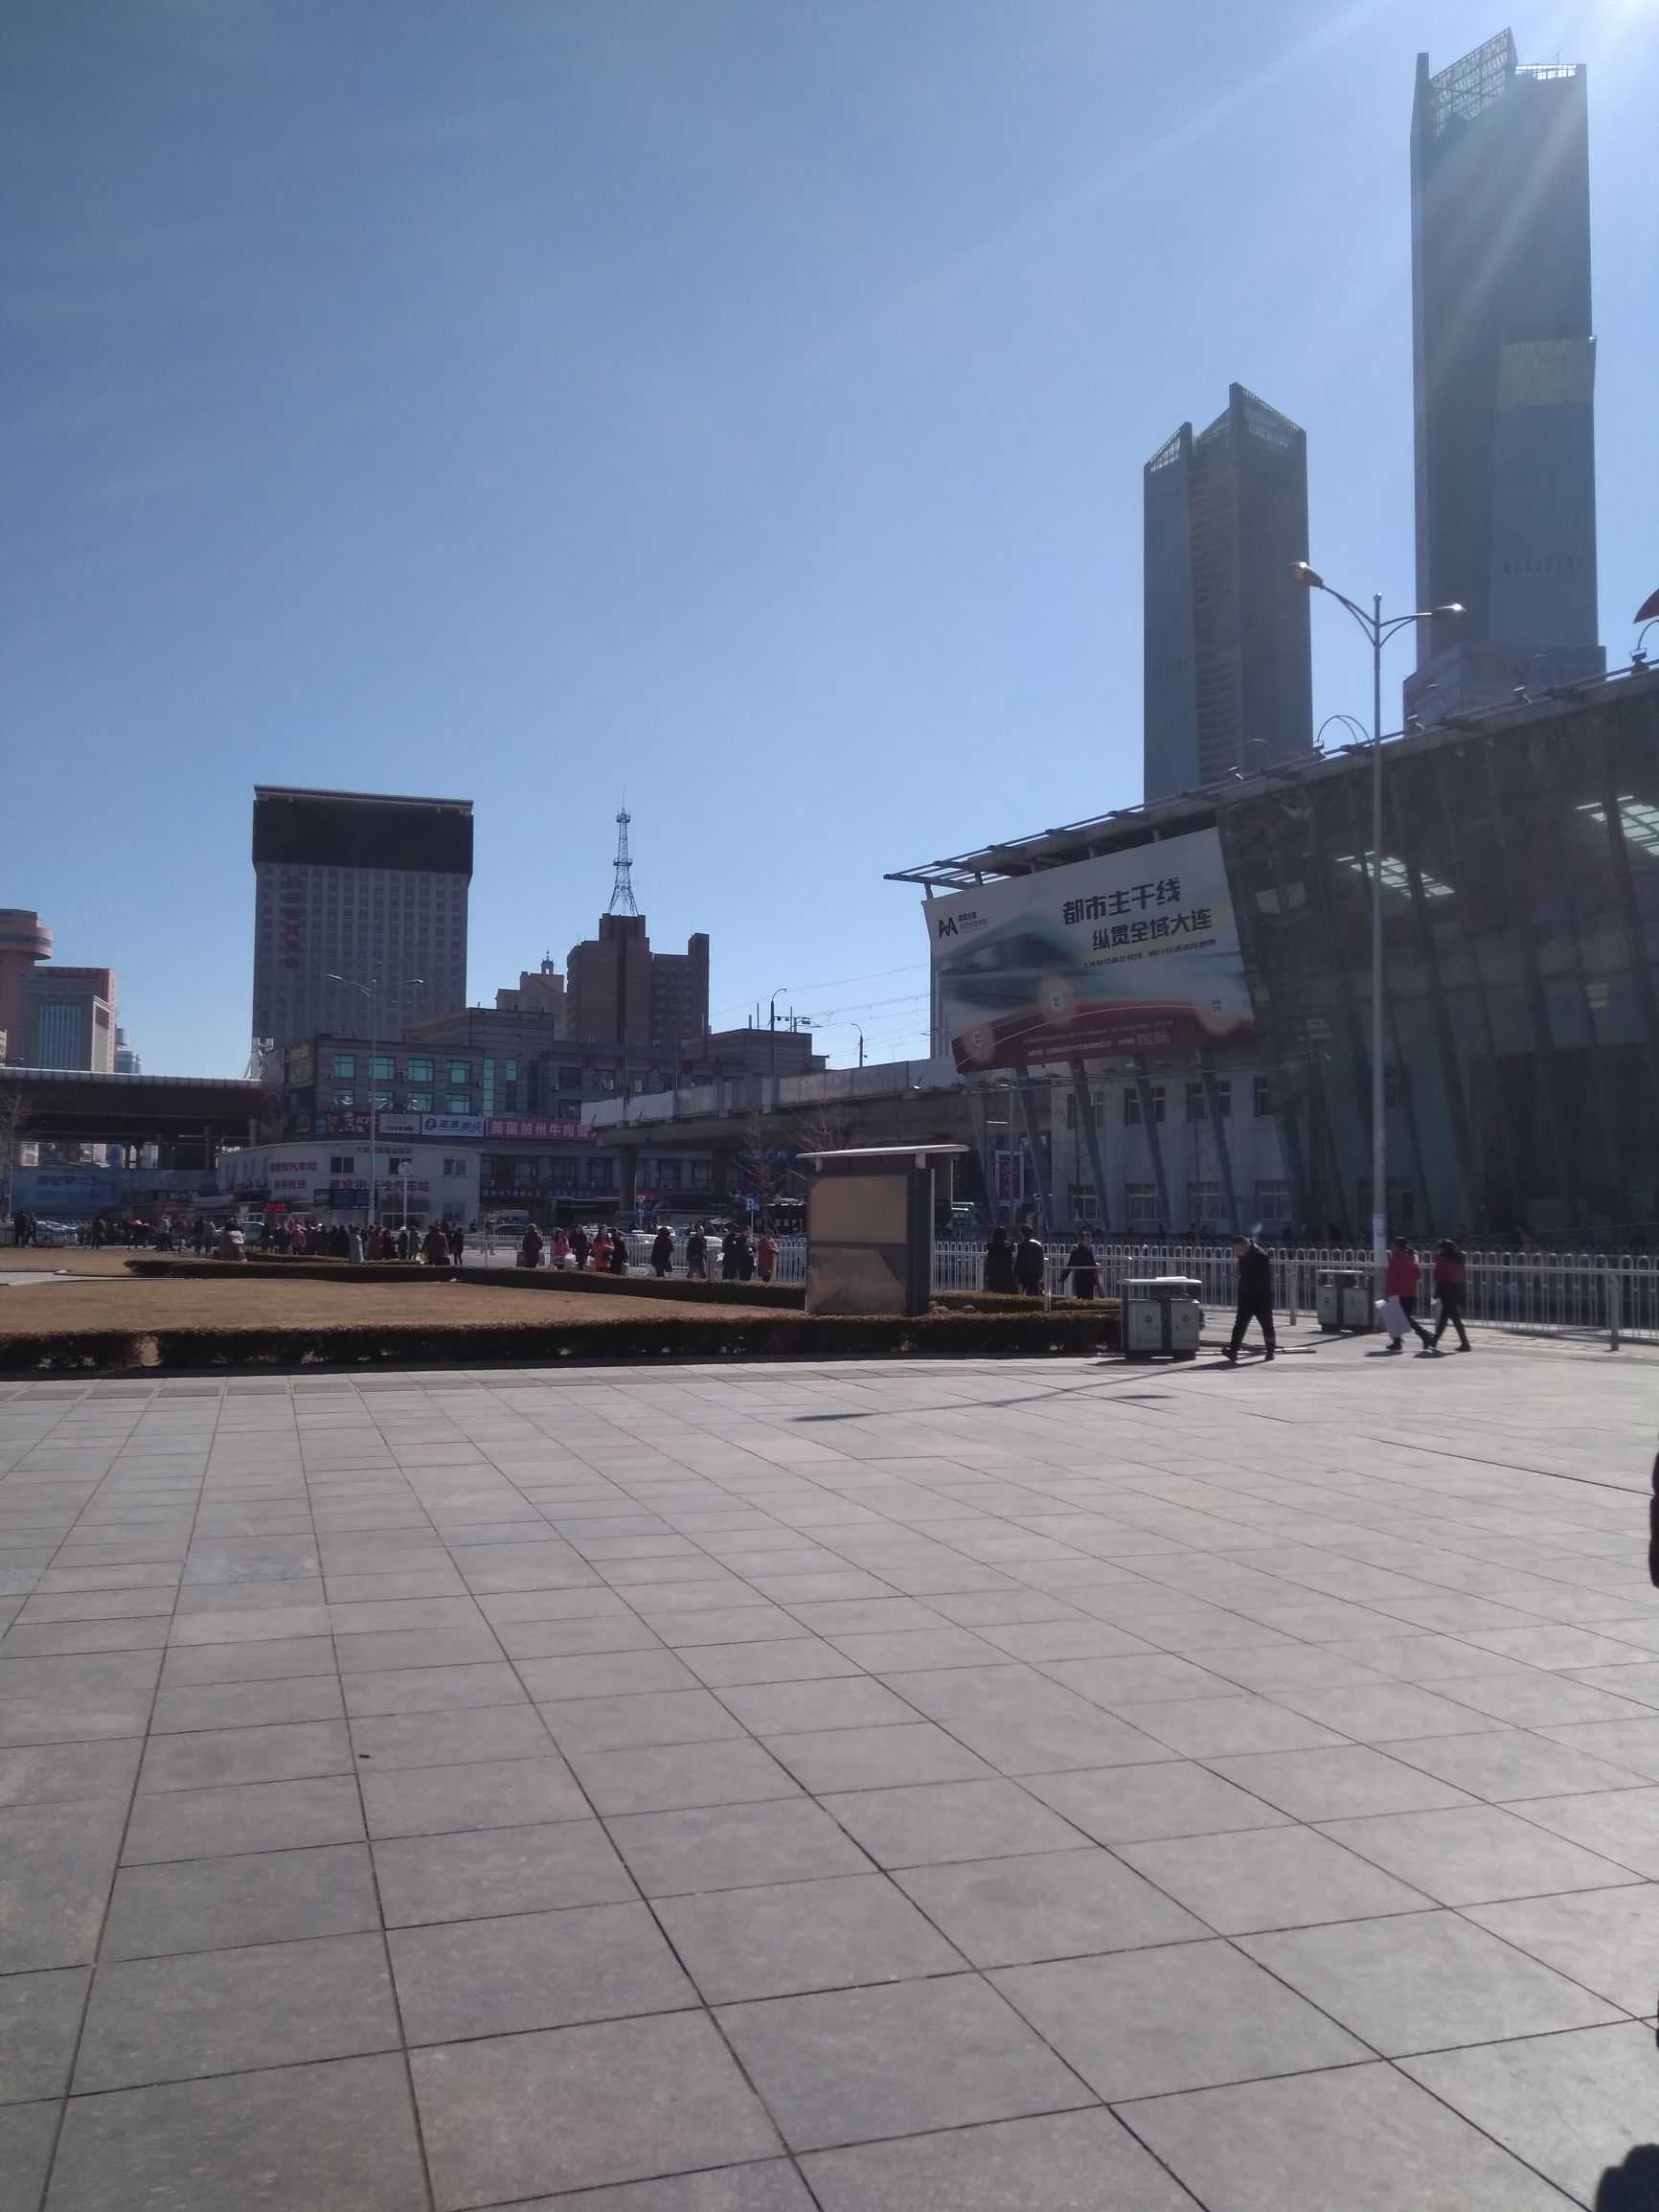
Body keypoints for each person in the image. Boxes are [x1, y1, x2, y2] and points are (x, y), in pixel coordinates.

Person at [1224, 1235, 1276, 1362]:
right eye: (1235, 1249)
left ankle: (1270, 1351)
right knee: (1239, 1325)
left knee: (1266, 1325)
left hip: (1261, 1297)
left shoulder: (1260, 1256)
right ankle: (1233, 1351)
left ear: (1245, 1245)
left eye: (1238, 1249)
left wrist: (1244, 1278)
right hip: (1246, 1296)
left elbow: (1263, 1278)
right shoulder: (1243, 1255)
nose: (1237, 1252)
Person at [1382, 1236, 1433, 1351]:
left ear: (1396, 1246)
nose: (1391, 1247)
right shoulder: (1412, 1256)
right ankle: (1398, 1341)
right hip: (1411, 1291)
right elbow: (1417, 1275)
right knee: (1402, 1317)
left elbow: (1392, 1277)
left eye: (1393, 1245)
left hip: (1398, 1292)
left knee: (1400, 1317)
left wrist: (1388, 1291)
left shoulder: (1396, 1258)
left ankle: (1424, 1335)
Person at [1429, 1237, 1471, 1353]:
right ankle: (1435, 1341)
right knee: (1447, 1316)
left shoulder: (1442, 1259)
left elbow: (1438, 1276)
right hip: (1457, 1290)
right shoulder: (1460, 1258)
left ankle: (1465, 1343)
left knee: (1452, 1317)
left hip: (1446, 1290)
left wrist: (1437, 1291)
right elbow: (1462, 1276)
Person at [1065, 1233, 1100, 1301]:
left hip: (1082, 1280)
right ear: (1083, 1240)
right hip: (1086, 1280)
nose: (1090, 1242)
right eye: (1088, 1240)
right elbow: (1092, 1265)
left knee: (1081, 1299)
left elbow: (1070, 1265)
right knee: (1087, 1299)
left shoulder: (1080, 1251)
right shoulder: (1083, 1251)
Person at [1013, 1226, 1046, 1296]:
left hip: (1025, 1273)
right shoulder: (1038, 1244)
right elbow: (1041, 1260)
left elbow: (1019, 1261)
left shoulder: (1022, 1245)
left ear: (1023, 1234)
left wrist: (1015, 1273)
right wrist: (1041, 1272)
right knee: (1034, 1289)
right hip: (1036, 1273)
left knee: (1025, 1291)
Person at [984, 1226, 1016, 1294]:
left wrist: (986, 1273)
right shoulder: (1008, 1249)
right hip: (1006, 1277)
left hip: (993, 1277)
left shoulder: (991, 1247)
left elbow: (989, 1262)